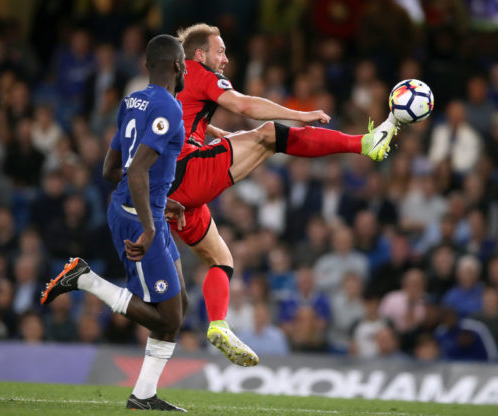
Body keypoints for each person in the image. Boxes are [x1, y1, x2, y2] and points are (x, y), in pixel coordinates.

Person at [168, 23, 400, 364]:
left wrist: (212, 133)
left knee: (221, 260)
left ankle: (217, 323)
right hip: (187, 174)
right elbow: (244, 106)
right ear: (200, 54)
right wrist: (299, 115)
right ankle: (365, 143)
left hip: (166, 192)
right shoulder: (199, 72)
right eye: (221, 52)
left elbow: (182, 123)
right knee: (269, 134)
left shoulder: (169, 80)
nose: (227, 60)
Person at [40, 34, 189, 411]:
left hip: (141, 206)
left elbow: (111, 168)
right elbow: (135, 170)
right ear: (175, 64)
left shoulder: (130, 100)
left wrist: (160, 200)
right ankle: (85, 278)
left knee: (179, 304)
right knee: (168, 317)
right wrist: (150, 224)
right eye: (184, 59)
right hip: (138, 217)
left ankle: (143, 396)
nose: (186, 66)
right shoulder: (169, 107)